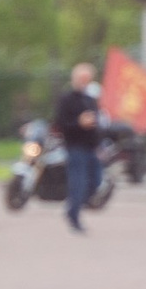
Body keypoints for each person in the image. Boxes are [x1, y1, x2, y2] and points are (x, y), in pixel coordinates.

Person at [55, 61, 103, 232]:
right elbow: (61, 124)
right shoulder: (66, 99)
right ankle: (74, 215)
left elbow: (96, 124)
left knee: (96, 181)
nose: (84, 82)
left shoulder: (90, 100)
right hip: (75, 147)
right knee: (78, 183)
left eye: (87, 79)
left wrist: (98, 145)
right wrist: (78, 123)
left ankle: (76, 206)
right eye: (82, 78)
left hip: (91, 148)